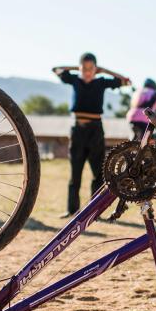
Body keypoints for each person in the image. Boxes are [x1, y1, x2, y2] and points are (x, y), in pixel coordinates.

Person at [53, 53, 131, 218]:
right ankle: (72, 210)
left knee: (98, 173)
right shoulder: (74, 79)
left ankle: (94, 211)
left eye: (91, 68)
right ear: (80, 67)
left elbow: (125, 81)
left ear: (96, 69)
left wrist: (104, 71)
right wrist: (77, 68)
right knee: (75, 173)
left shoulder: (101, 82)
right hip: (78, 130)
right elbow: (56, 69)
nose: (88, 72)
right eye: (85, 68)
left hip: (95, 130)